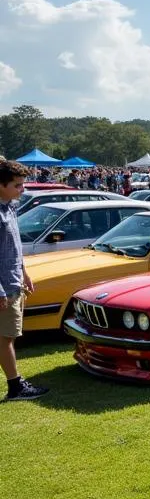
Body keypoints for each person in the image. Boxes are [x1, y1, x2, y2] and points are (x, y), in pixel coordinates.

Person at [0, 160, 47, 402]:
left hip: (14, 280)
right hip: (5, 287)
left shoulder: (11, 207)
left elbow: (13, 248)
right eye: (17, 185)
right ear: (1, 185)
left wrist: (24, 273)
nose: (22, 189)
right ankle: (15, 386)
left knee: (7, 336)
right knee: (5, 337)